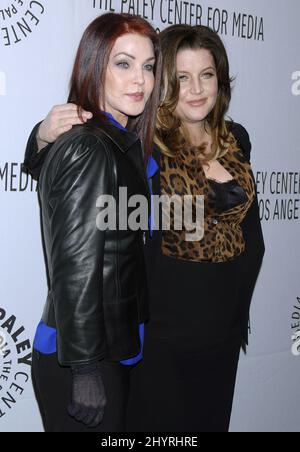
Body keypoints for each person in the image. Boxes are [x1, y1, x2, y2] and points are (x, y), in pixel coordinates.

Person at [24, 24, 265, 433]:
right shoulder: (145, 138)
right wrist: (42, 137)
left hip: (222, 335)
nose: (196, 88)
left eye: (207, 75)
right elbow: (98, 225)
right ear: (166, 84)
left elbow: (246, 236)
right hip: (162, 340)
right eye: (181, 76)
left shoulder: (236, 139)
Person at [22, 12, 162, 433]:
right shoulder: (91, 148)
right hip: (86, 361)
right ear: (94, 66)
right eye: (123, 63)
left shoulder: (120, 142)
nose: (140, 79)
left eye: (149, 66)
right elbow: (76, 265)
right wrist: (83, 368)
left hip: (109, 349)